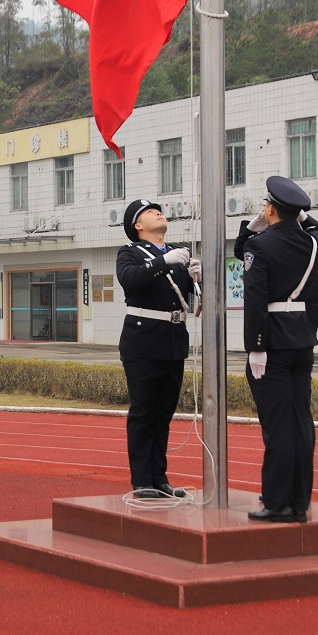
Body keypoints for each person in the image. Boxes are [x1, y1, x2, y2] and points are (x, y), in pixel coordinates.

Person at [234, 176, 318, 523]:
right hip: (302, 342)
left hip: (272, 345)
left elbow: (256, 300)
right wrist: (300, 218)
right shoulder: (312, 244)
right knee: (300, 424)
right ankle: (298, 501)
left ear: (270, 209)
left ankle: (276, 503)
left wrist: (256, 347)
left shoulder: (259, 246)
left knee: (278, 426)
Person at [116, 199, 201, 499]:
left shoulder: (177, 254)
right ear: (138, 226)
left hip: (173, 341)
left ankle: (158, 477)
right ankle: (142, 480)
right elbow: (130, 279)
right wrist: (164, 262)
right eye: (150, 212)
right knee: (143, 412)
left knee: (163, 413)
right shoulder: (130, 253)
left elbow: (191, 296)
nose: (158, 212)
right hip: (143, 342)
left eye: (158, 210)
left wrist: (197, 278)